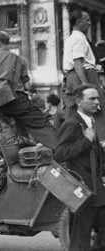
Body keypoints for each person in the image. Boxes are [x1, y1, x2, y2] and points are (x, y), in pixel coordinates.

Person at [0, 31, 58, 149]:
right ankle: (62, 150)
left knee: (16, 131)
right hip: (18, 100)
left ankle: (21, 152)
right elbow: (27, 86)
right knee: (41, 124)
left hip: (0, 104)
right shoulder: (19, 60)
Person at [55, 84, 105, 250]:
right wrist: (85, 141)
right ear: (78, 101)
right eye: (92, 98)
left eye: (97, 98)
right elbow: (60, 153)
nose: (97, 102)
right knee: (80, 234)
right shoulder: (72, 123)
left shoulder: (90, 121)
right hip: (80, 186)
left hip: (94, 185)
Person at [63, 9, 105, 138]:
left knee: (76, 112)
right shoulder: (79, 39)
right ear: (78, 22)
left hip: (73, 77)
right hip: (85, 75)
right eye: (87, 20)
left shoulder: (72, 38)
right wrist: (85, 85)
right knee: (97, 109)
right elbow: (77, 62)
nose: (90, 23)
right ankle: (101, 142)